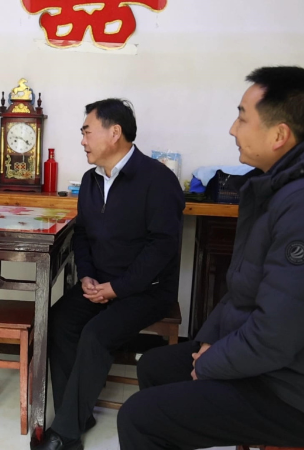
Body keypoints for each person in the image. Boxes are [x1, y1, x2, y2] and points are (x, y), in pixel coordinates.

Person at [117, 66, 304, 449]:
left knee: (140, 418)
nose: (233, 129)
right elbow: (243, 292)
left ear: (279, 135)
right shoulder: (285, 188)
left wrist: (211, 362)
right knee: (156, 366)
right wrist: (207, 346)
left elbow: (278, 333)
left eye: (242, 118)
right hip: (281, 367)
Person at [32, 99, 186, 450]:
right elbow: (83, 234)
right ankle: (77, 414)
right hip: (100, 284)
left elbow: (162, 247)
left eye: (87, 131)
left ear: (115, 133)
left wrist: (118, 288)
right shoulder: (91, 180)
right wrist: (86, 276)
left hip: (147, 291)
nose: (82, 140)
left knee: (96, 333)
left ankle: (66, 435)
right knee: (59, 320)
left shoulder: (157, 179)